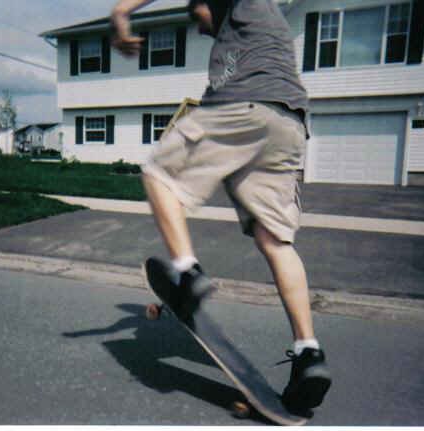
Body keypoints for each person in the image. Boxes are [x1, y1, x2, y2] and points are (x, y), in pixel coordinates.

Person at [110, 0, 332, 410]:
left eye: (194, 14)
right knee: (275, 241)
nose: (198, 28)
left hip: (247, 106)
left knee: (158, 173)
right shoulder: (242, 38)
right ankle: (308, 353)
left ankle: (187, 273)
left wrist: (122, 12)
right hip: (287, 124)